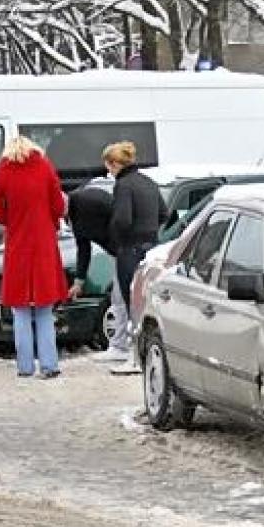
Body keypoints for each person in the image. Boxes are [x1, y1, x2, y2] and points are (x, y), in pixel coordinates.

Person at [0, 135, 68, 379]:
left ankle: (25, 367)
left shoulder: (3, 170)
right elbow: (58, 204)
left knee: (20, 309)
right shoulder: (44, 166)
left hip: (17, 242)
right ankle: (49, 365)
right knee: (45, 309)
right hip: (44, 241)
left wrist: (13, 219)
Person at [104, 141, 167, 374]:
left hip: (130, 249)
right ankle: (146, 354)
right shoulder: (148, 182)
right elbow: (164, 213)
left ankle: (134, 357)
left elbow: (122, 219)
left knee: (132, 302)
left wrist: (116, 241)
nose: (108, 172)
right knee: (147, 302)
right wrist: (151, 230)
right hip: (152, 248)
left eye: (108, 167)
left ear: (115, 164)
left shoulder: (123, 185)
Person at [67, 184, 132, 363]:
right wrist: (79, 282)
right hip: (123, 253)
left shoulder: (87, 201)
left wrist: (124, 250)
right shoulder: (73, 212)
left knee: (120, 298)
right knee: (119, 298)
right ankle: (121, 344)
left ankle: (121, 347)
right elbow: (83, 246)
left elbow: (118, 218)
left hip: (129, 250)